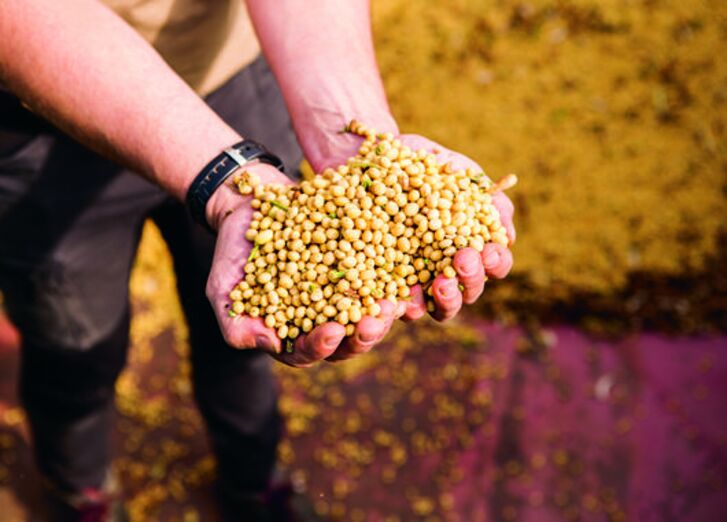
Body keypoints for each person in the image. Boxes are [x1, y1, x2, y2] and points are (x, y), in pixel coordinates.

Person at [0, 1, 515, 520]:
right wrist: (223, 177)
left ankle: (252, 480)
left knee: (248, 347)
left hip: (233, 74)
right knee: (73, 347)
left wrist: (356, 129)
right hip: (38, 116)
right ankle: (80, 487)